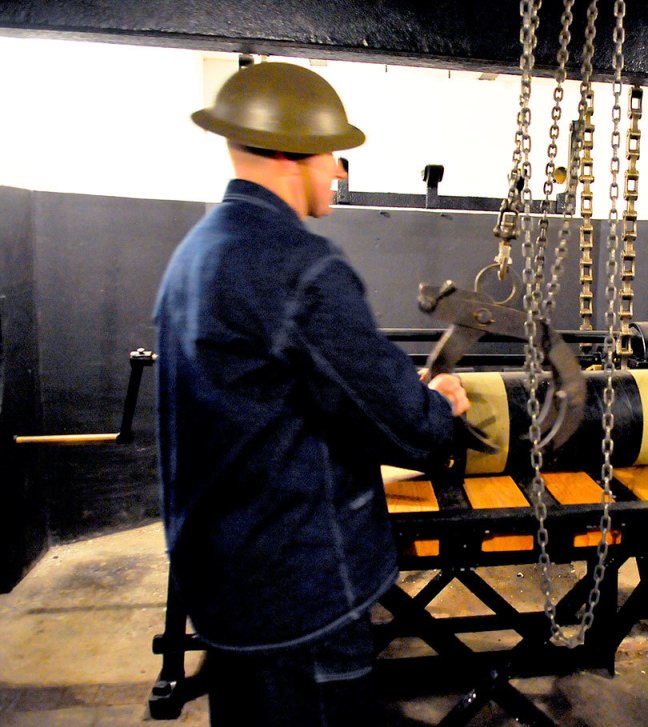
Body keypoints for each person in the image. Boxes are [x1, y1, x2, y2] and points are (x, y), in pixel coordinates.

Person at [153, 61, 468, 726]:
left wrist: (377, 390)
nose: (340, 173)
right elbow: (410, 430)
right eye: (334, 155)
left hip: (225, 590)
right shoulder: (303, 263)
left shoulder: (194, 254)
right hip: (303, 595)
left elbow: (272, 397)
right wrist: (438, 403)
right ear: (293, 153)